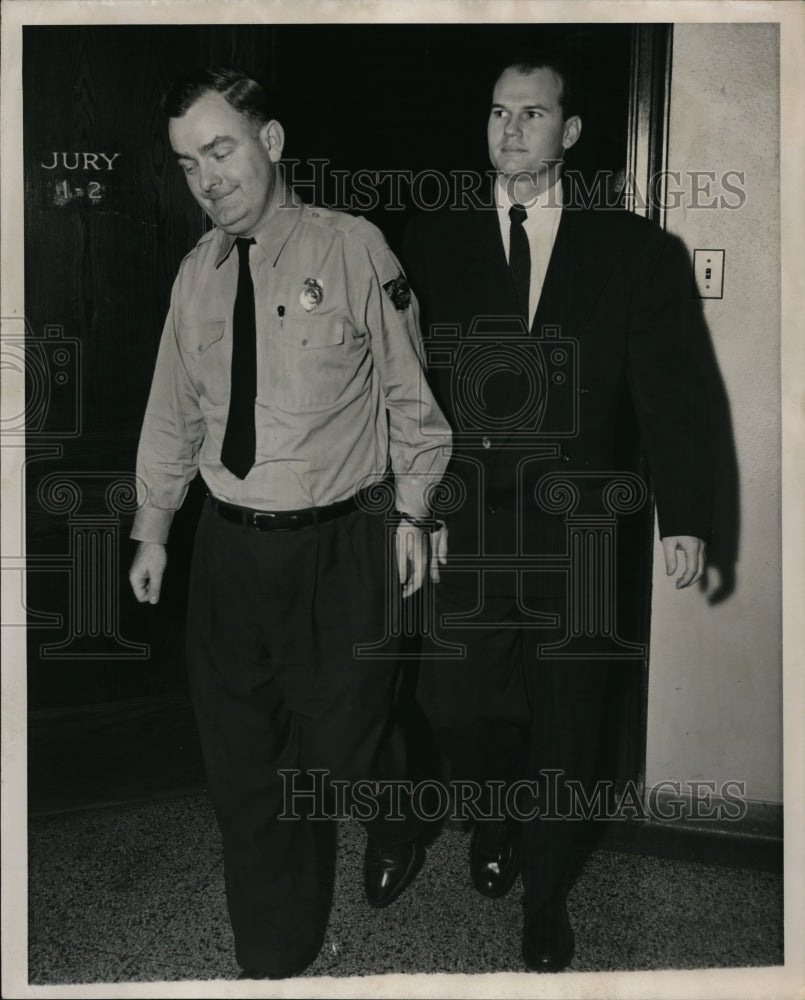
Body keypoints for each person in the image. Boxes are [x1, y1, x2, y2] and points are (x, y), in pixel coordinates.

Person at [128, 67, 451, 980]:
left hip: (342, 544)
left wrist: (415, 512)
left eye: (221, 151)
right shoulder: (196, 275)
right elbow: (173, 413)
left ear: (269, 144)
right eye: (189, 163)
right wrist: (154, 528)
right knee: (245, 767)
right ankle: (276, 955)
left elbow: (410, 399)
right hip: (230, 551)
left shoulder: (354, 249)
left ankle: (402, 799)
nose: (207, 179)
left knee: (343, 748)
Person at [402, 51, 713, 972]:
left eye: (531, 115)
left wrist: (684, 513)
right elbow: (408, 385)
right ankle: (491, 812)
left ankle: (544, 895)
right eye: (498, 113)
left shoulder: (635, 252)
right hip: (472, 520)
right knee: (451, 701)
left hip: (579, 531)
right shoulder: (434, 238)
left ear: (569, 133)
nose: (509, 130)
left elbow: (672, 391)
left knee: (572, 720)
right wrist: (413, 507)